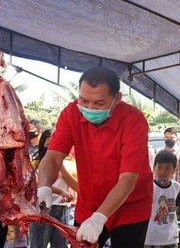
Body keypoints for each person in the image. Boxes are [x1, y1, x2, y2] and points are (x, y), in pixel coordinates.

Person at [37, 67, 153, 248]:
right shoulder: (71, 113)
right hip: (88, 203)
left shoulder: (133, 120)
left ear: (117, 99)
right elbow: (52, 158)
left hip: (131, 205)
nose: (89, 108)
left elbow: (128, 180)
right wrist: (44, 187)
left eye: (99, 103)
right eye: (83, 100)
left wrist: (99, 219)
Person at [30, 128, 77, 248]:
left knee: (60, 245)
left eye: (56, 144)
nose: (52, 148)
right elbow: (36, 184)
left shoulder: (70, 162)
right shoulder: (35, 163)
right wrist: (61, 192)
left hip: (62, 209)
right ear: (43, 144)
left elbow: (75, 186)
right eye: (48, 144)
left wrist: (60, 166)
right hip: (40, 209)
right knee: (38, 244)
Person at [144, 150, 180, 248]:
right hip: (150, 238)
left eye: (167, 168)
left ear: (174, 170)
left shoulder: (177, 187)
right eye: (159, 167)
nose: (163, 171)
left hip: (170, 238)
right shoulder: (149, 187)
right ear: (154, 168)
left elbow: (175, 209)